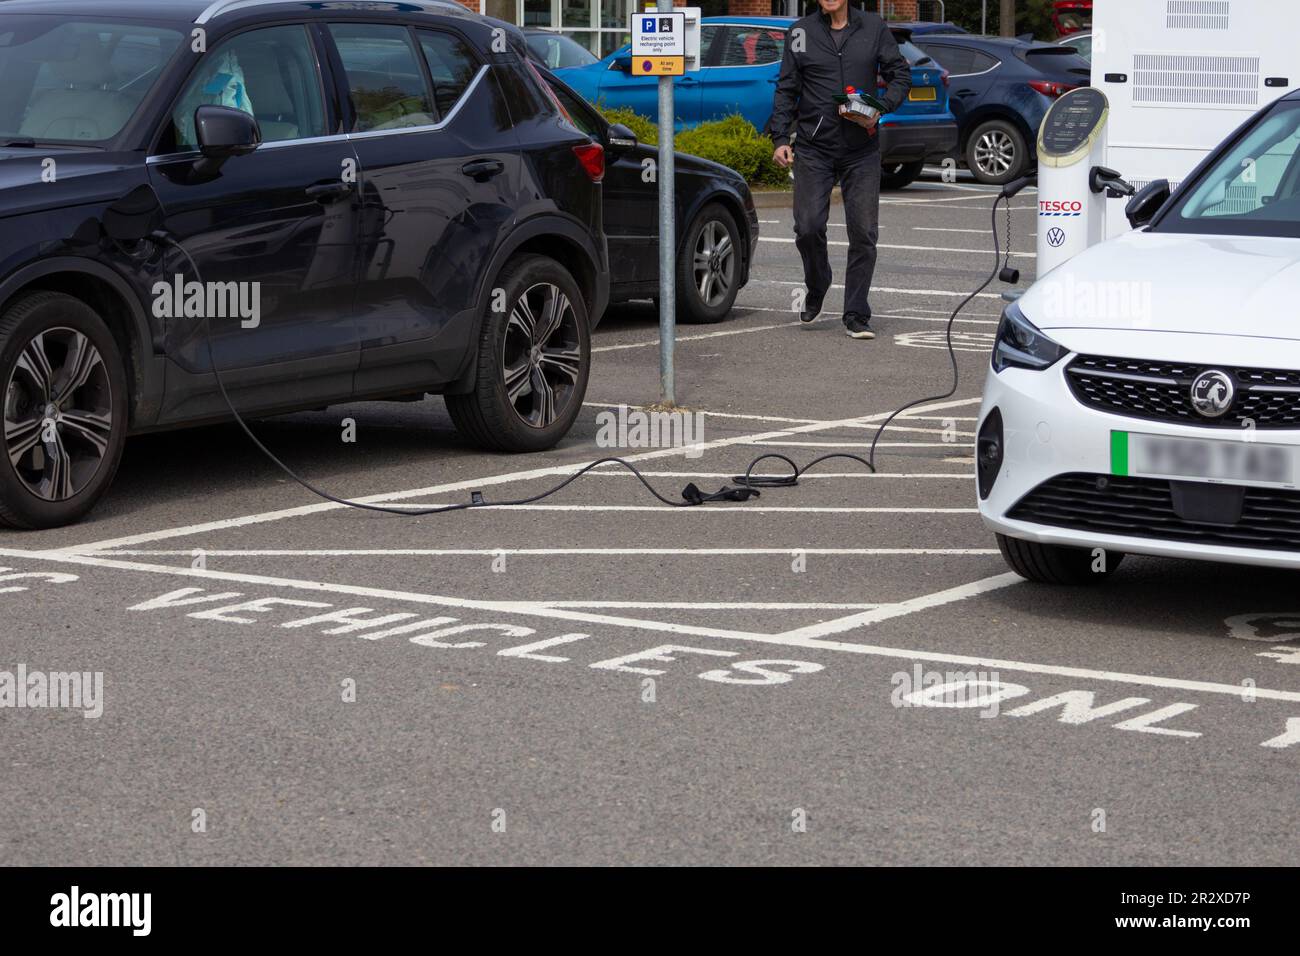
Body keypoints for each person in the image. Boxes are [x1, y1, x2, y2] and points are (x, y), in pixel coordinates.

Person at [768, 0, 910, 339]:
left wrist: (882, 106)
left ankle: (856, 313)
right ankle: (817, 284)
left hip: (860, 149)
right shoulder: (800, 32)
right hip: (814, 147)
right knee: (808, 227)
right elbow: (787, 87)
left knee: (863, 233)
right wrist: (779, 138)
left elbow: (899, 75)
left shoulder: (873, 27)